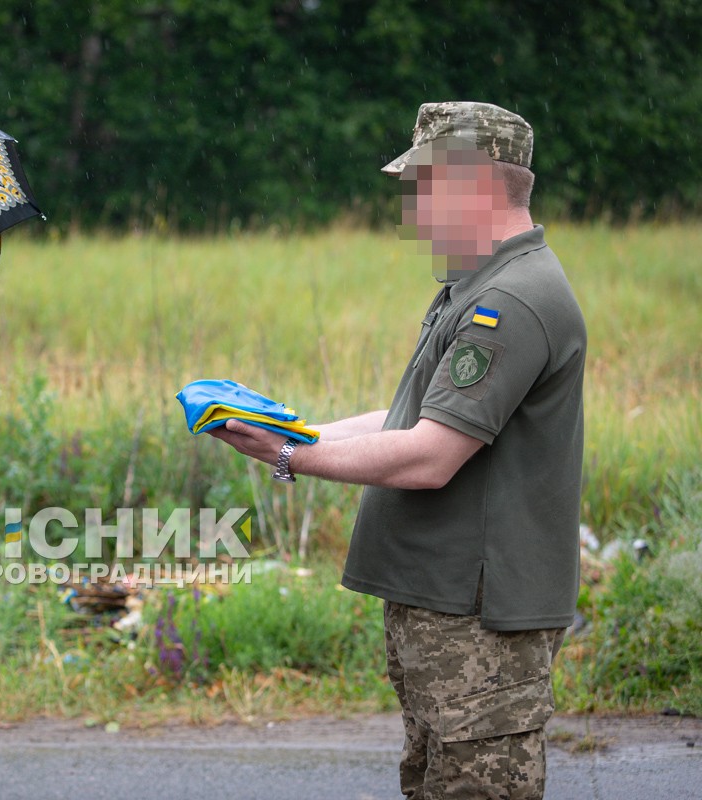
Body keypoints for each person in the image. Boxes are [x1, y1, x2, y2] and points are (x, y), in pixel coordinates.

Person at [209, 102, 586, 799]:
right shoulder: (474, 286)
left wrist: (287, 458)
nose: (411, 209)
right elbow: (413, 417)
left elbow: (429, 456)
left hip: (480, 617)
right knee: (433, 782)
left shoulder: (514, 300)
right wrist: (292, 429)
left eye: (423, 188)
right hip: (443, 608)